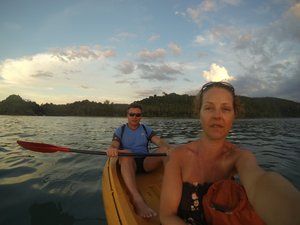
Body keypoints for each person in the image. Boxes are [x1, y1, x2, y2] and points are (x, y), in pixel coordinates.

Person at [160, 81, 300, 225]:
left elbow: (259, 182)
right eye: (209, 108)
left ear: (234, 115)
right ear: (199, 113)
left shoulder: (239, 157)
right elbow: (167, 216)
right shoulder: (178, 156)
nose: (217, 116)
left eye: (225, 109)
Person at [106, 103, 171, 218]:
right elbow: (114, 145)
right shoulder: (120, 130)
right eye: (132, 114)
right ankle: (137, 199)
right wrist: (112, 149)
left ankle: (172, 187)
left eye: (137, 115)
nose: (134, 117)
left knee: (165, 149)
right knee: (127, 154)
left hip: (145, 162)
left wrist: (169, 148)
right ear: (127, 115)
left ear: (141, 116)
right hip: (129, 163)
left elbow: (159, 142)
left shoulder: (146, 129)